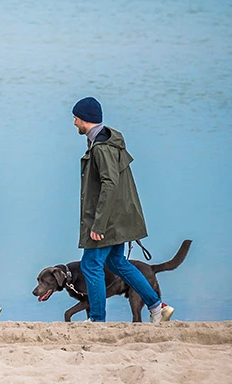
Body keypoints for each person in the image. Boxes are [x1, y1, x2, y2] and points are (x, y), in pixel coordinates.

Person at [71, 96, 174, 323]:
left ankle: (97, 320)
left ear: (85, 119)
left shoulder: (101, 148)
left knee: (91, 264)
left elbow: (110, 183)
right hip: (119, 216)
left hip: (108, 219)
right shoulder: (108, 141)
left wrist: (99, 224)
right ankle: (157, 306)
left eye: (76, 118)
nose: (74, 123)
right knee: (116, 262)